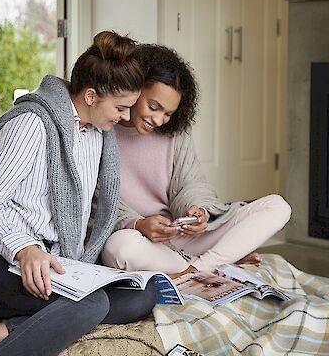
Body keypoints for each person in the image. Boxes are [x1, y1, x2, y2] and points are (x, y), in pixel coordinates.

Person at [0, 31, 156, 356]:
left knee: (141, 294)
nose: (125, 118)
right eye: (121, 107)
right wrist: (26, 250)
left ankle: (2, 330)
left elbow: (95, 205)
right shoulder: (31, 124)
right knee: (90, 304)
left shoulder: (97, 136)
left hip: (58, 261)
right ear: (91, 96)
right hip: (0, 261)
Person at [101, 44, 291, 278]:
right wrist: (138, 224)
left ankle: (191, 271)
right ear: (135, 89)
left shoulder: (175, 133)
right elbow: (97, 203)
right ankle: (220, 261)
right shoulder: (104, 128)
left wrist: (198, 211)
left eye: (168, 113)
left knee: (277, 207)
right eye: (153, 107)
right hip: (143, 241)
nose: (159, 119)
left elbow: (192, 183)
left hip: (183, 237)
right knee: (119, 248)